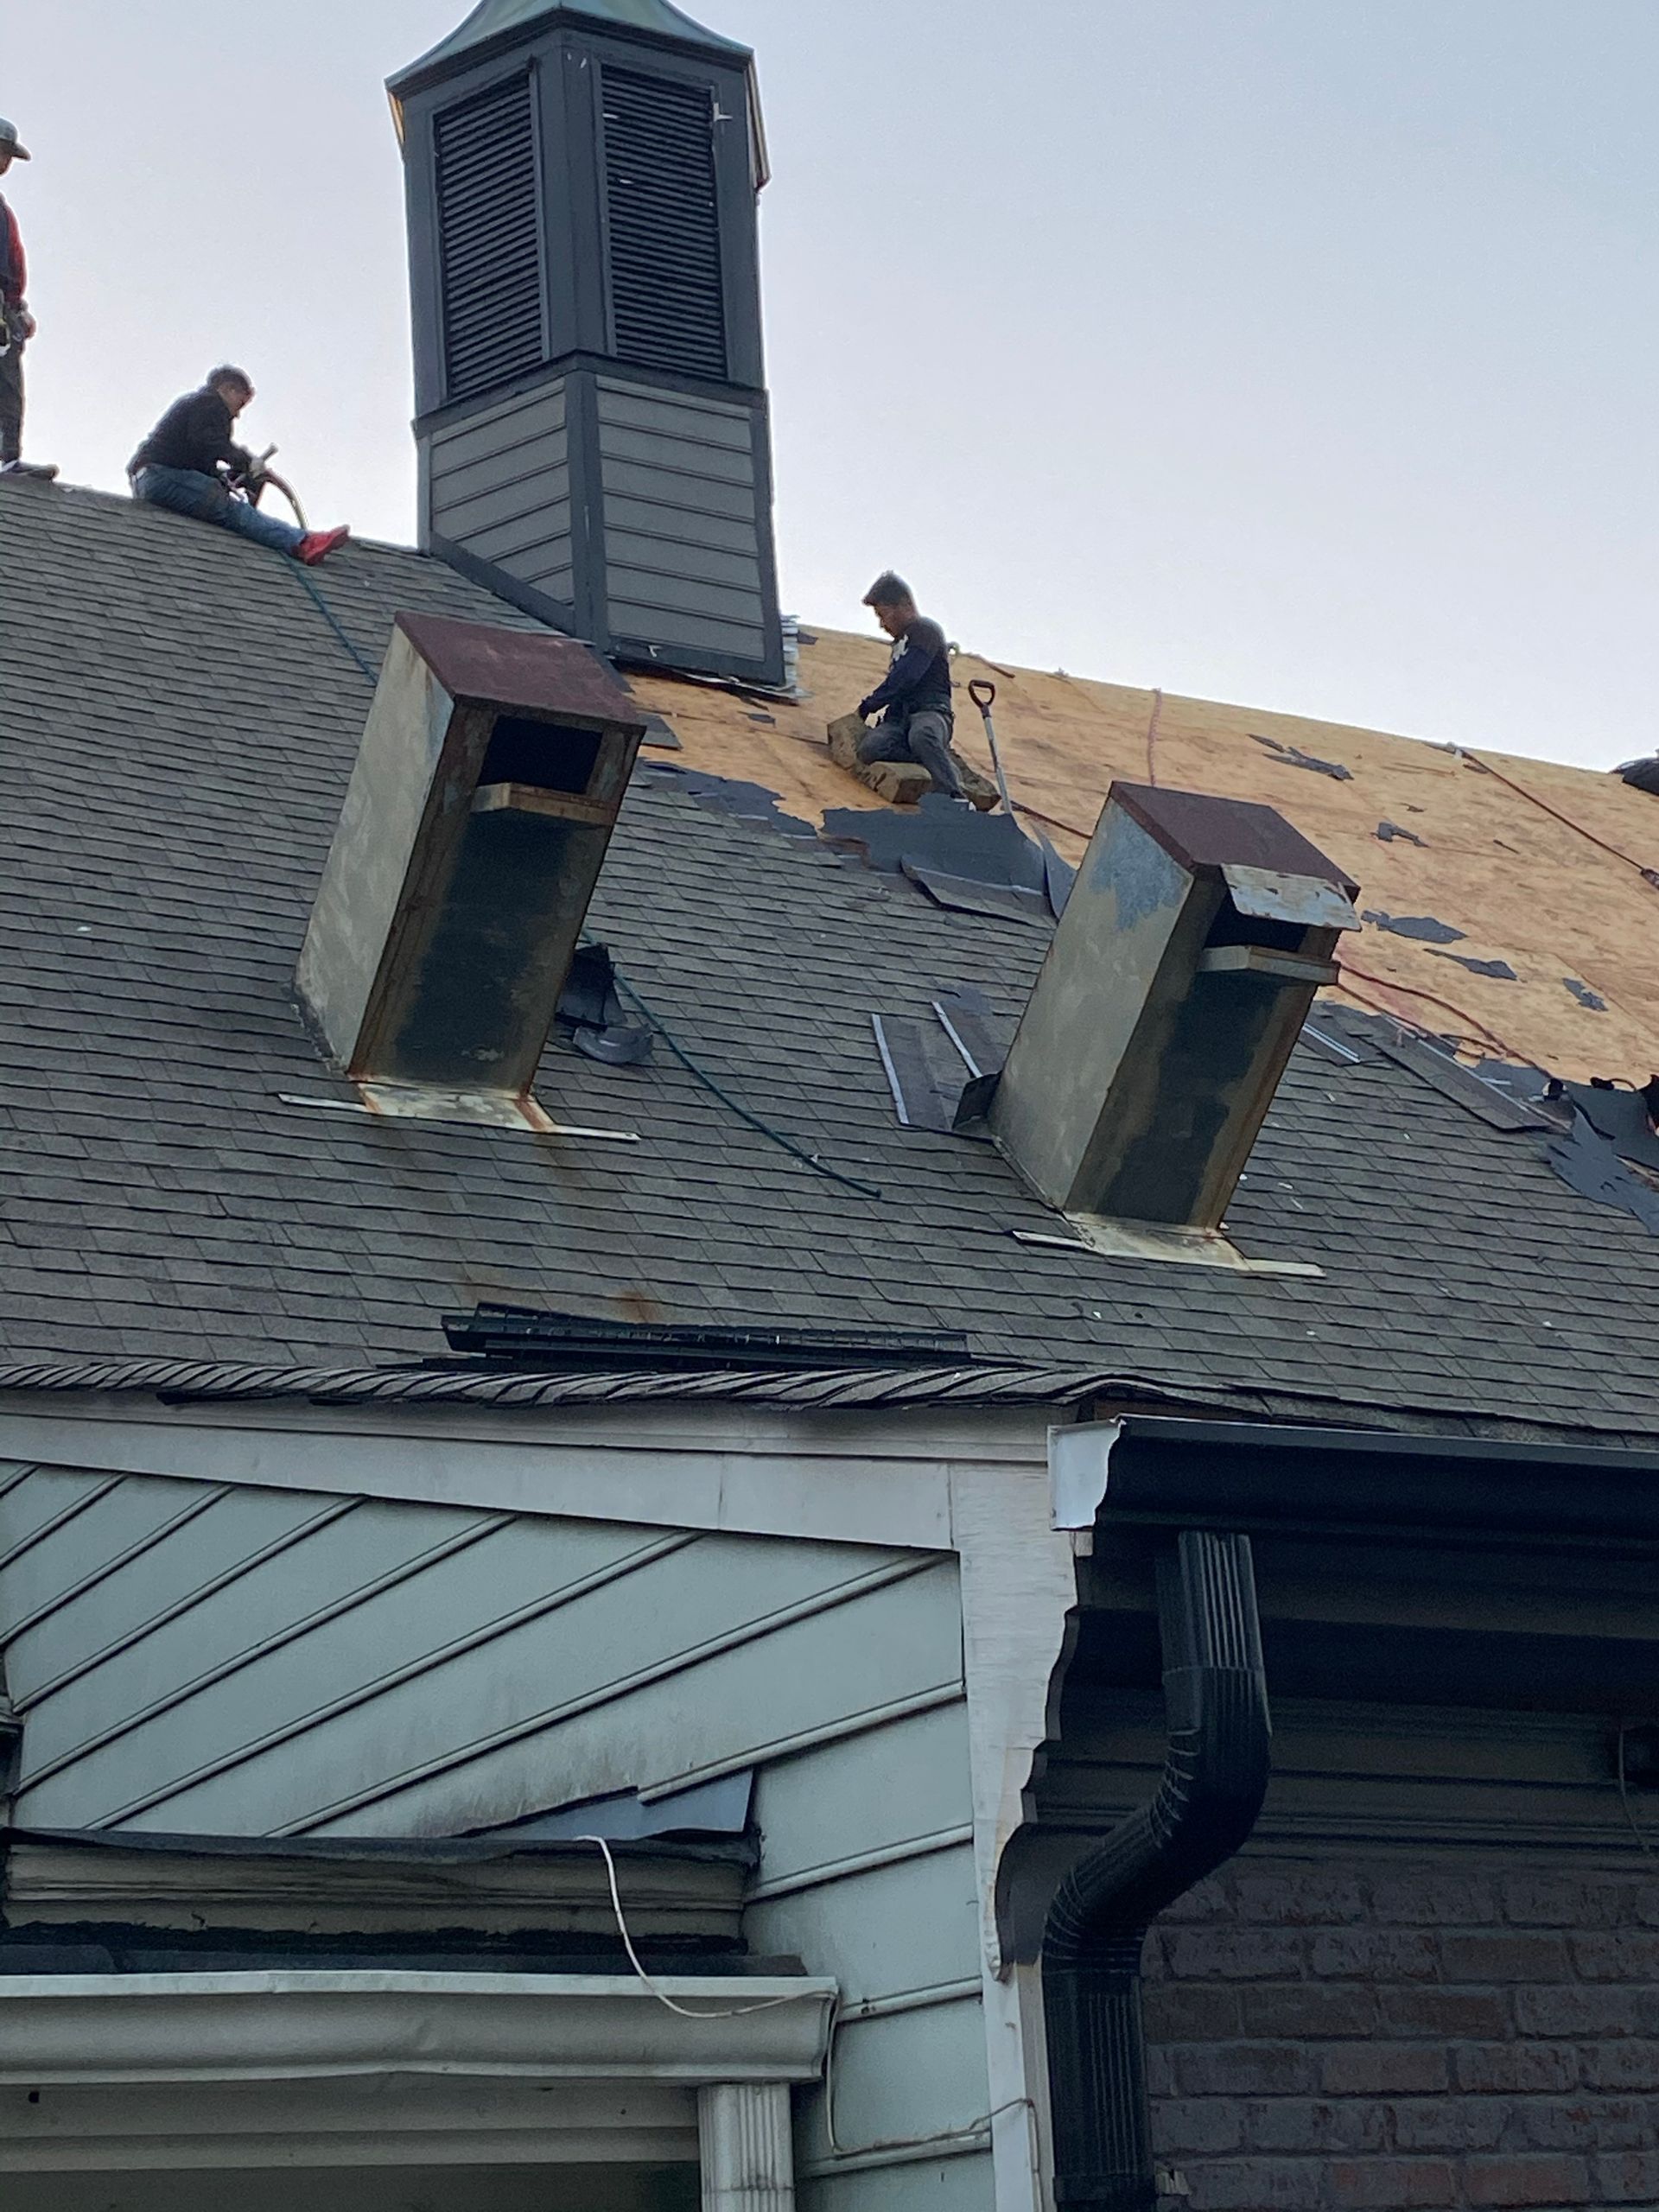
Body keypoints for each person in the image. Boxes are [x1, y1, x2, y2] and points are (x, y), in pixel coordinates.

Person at [129, 367, 349, 565]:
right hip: (160, 476)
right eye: (240, 403)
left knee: (219, 496)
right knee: (229, 508)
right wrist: (247, 462)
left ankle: (297, 539)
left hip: (153, 477)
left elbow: (201, 459)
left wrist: (228, 476)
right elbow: (211, 442)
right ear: (228, 390)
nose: (237, 414)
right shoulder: (210, 403)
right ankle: (303, 543)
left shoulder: (194, 407)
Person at [854, 572, 965, 801]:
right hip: (899, 720)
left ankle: (954, 796)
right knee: (870, 749)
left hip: (930, 711)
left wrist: (870, 705)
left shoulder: (925, 631)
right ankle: (933, 758)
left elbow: (907, 676)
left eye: (884, 615)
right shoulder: (900, 643)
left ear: (904, 605)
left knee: (923, 735)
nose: (882, 624)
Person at [0, 116, 56, 480]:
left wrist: (18, 307)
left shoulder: (2, 209)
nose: (5, 162)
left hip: (6, 310)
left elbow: (10, 263)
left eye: (8, 155)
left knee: (8, 387)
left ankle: (8, 459)